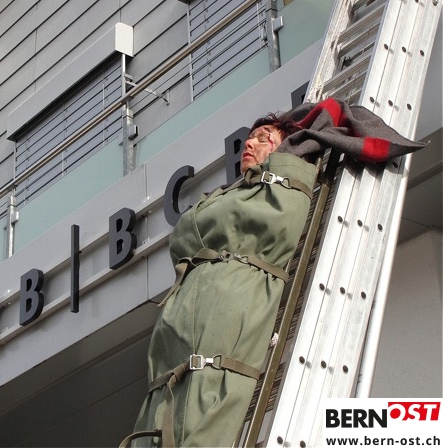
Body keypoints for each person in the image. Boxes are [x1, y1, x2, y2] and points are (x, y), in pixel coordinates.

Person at [120, 98, 425, 448]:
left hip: (219, 334)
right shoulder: (231, 195)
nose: (250, 143)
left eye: (264, 137)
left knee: (201, 415)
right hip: (175, 341)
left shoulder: (279, 180)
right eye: (250, 138)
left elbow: (327, 113)